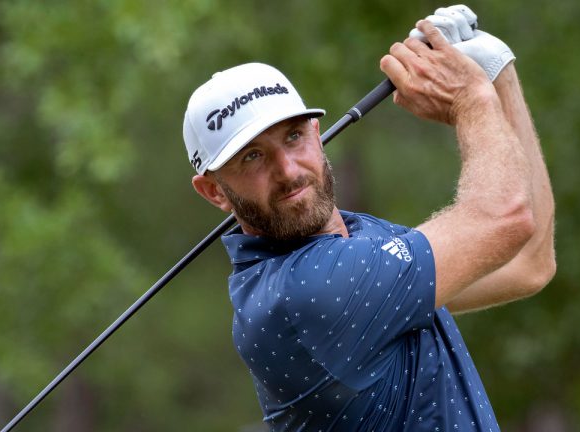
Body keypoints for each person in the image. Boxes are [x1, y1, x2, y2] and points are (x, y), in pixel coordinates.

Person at [182, 5, 555, 431]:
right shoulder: (304, 292)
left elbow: (527, 263)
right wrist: (472, 99)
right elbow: (505, 220)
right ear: (213, 190)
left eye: (294, 136)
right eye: (253, 157)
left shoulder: (357, 246)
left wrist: (497, 74)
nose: (287, 170)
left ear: (317, 134)